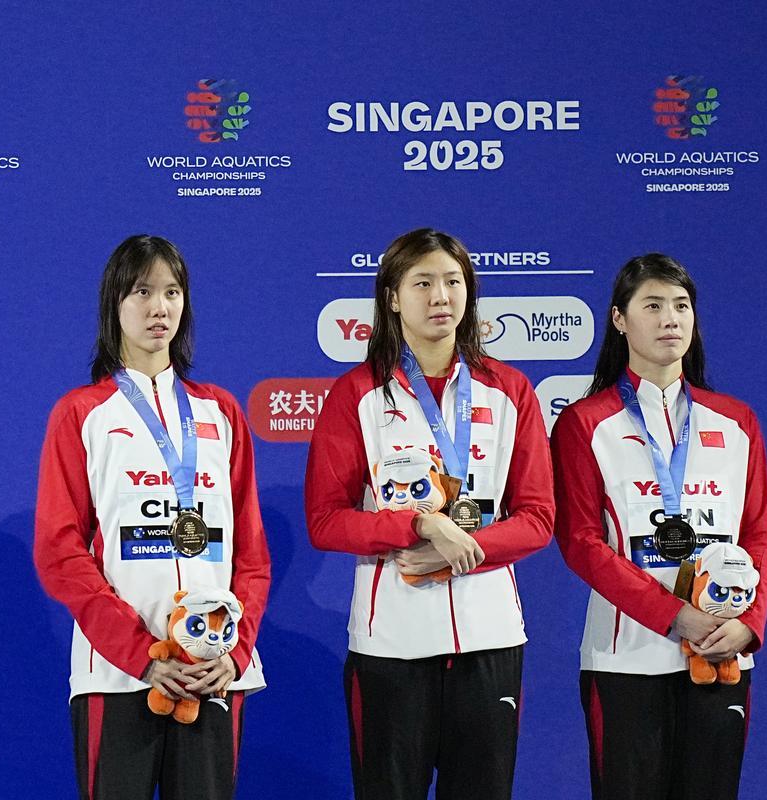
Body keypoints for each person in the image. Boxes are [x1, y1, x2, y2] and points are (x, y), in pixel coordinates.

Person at [304, 227, 554, 800]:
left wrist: (463, 550)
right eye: (422, 283)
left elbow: (539, 517)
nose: (440, 296)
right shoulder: (357, 393)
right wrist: (416, 524)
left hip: (490, 638)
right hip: (391, 642)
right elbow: (325, 520)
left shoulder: (510, 389)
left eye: (452, 281)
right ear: (392, 297)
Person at [34, 235, 270, 800]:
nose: (158, 307)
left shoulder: (221, 410)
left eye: (171, 292)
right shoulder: (82, 413)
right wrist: (141, 653)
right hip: (117, 675)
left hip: (213, 673)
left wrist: (235, 652)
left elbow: (251, 555)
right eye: (141, 292)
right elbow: (59, 552)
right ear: (114, 303)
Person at [550, 253, 767, 800]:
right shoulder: (585, 422)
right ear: (619, 319)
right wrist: (674, 615)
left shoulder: (737, 420)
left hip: (723, 652)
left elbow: (759, 534)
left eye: (681, 305)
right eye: (652, 306)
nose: (670, 319)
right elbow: (580, 542)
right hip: (624, 658)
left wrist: (749, 623)